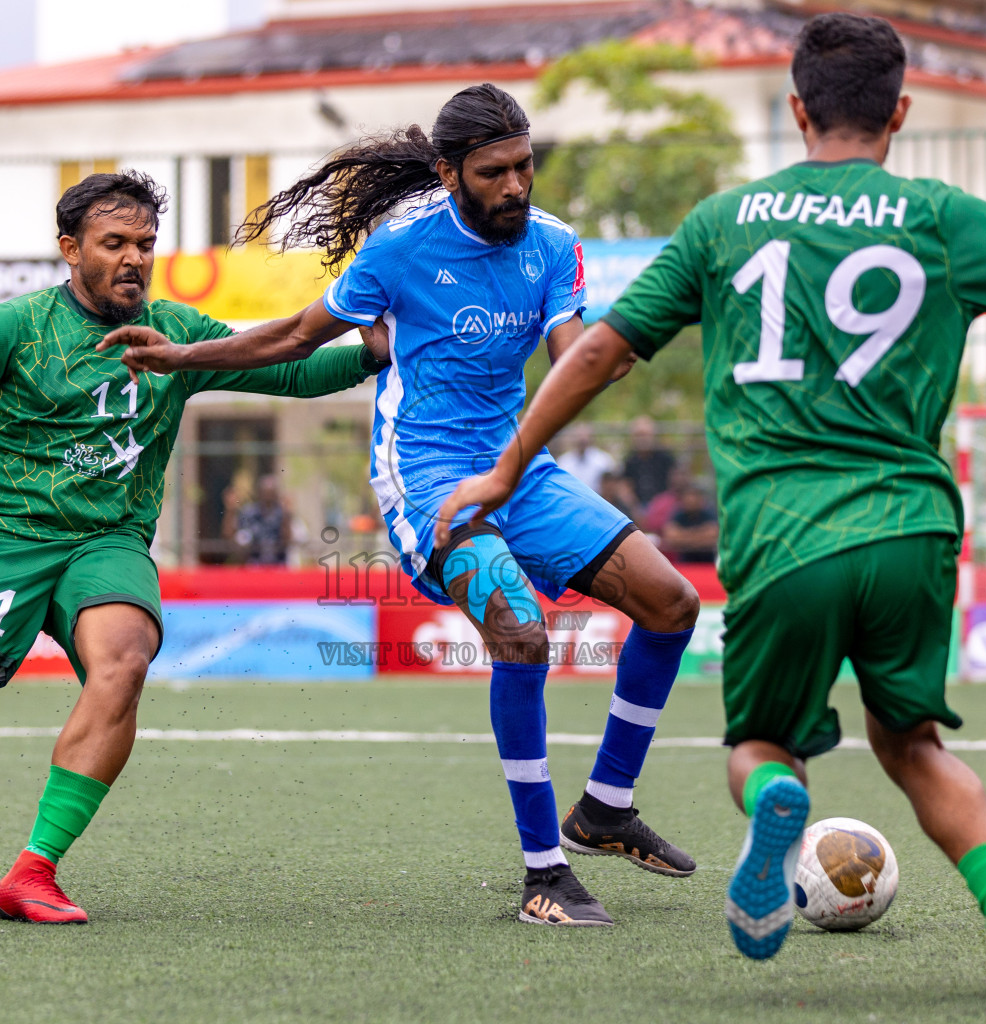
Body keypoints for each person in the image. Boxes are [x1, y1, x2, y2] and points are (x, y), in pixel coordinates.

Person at [436, 11, 986, 995]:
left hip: (783, 536)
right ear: (900, 111)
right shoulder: (939, 216)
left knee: (761, 746)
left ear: (796, 109)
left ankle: (779, 800)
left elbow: (601, 351)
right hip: (911, 528)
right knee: (914, 747)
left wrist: (506, 467)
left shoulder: (725, 222)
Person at [102, 84, 702, 928]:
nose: (516, 185)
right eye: (493, 172)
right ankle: (545, 873)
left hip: (519, 470)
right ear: (449, 173)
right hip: (424, 477)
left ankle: (606, 807)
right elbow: (294, 336)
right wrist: (183, 357)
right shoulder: (400, 247)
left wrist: (606, 356)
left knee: (673, 603)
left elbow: (577, 361)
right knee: (521, 631)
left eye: (524, 165)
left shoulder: (554, 245)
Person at [0, 170, 388, 925]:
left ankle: (33, 871)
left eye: (145, 243)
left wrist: (369, 355)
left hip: (109, 542)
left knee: (125, 660)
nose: (134, 258)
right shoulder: (16, 327)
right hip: (5, 537)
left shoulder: (178, 333)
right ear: (71, 249)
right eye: (115, 243)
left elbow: (291, 368)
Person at [227, 474, 292, 565]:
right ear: (259, 493)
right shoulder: (248, 513)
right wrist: (231, 510)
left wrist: (286, 513)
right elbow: (233, 536)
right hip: (254, 564)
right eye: (266, 493)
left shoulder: (282, 513)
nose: (268, 497)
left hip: (278, 563)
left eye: (271, 493)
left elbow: (288, 540)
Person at [620, 416, 674, 506]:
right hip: (637, 506)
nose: (642, 439)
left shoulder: (666, 458)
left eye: (645, 435)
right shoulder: (630, 461)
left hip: (664, 506)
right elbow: (624, 486)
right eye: (638, 435)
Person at [661, 482, 717, 565]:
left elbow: (713, 536)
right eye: (689, 497)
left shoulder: (709, 514)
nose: (692, 500)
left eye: (695, 496)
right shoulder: (677, 515)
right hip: (683, 562)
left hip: (708, 563)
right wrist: (700, 535)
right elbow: (671, 538)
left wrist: (683, 536)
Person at [555, 423, 616, 492]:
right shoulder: (563, 462)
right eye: (578, 436)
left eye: (585, 437)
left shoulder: (603, 460)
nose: (582, 440)